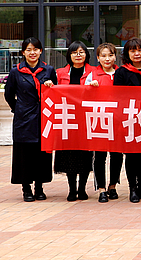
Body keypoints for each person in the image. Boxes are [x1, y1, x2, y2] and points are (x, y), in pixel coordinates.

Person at [5, 37, 56, 202]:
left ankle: (39, 187)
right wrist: (18, 108)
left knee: (41, 153)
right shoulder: (16, 71)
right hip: (24, 118)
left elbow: (55, 93)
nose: (32, 53)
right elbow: (9, 94)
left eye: (35, 49)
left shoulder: (48, 70)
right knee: (24, 154)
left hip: (43, 116)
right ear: (23, 52)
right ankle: (26, 188)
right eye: (28, 50)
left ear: (40, 51)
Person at [52, 41, 94, 202]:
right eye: (74, 52)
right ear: (69, 55)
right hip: (67, 119)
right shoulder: (60, 73)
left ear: (86, 54)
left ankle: (82, 189)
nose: (78, 55)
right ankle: (72, 189)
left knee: (85, 154)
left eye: (81, 52)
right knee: (69, 155)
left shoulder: (93, 72)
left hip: (86, 119)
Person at [113, 37, 141, 203]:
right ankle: (133, 189)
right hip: (129, 119)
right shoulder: (121, 72)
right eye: (132, 51)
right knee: (131, 155)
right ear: (127, 54)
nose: (137, 54)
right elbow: (118, 96)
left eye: (139, 50)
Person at [86, 42, 123, 203]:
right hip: (99, 120)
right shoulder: (92, 75)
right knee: (100, 156)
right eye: (103, 56)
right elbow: (83, 95)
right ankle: (101, 189)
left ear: (115, 56)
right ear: (98, 58)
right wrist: (90, 87)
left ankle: (112, 186)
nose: (107, 59)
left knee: (117, 155)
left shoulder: (120, 73)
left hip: (118, 120)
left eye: (110, 55)